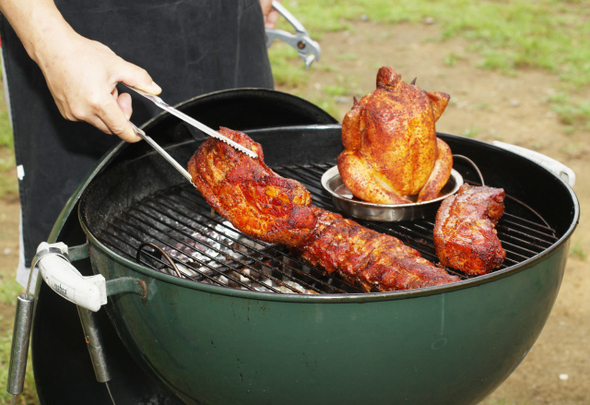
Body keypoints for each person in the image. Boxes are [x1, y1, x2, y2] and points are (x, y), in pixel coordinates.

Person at [0, 0, 280, 288]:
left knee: (255, 200)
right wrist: (53, 46)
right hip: (79, 29)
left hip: (225, 18)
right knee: (80, 273)